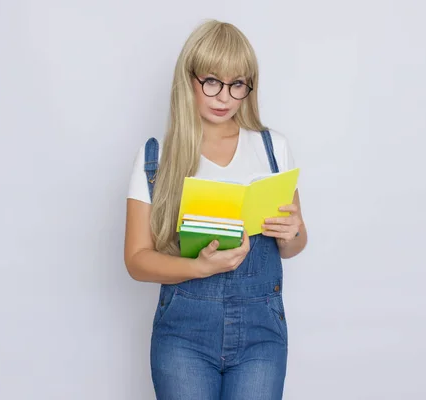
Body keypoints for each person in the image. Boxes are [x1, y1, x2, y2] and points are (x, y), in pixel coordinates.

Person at [124, 19, 308, 400]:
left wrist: (294, 233)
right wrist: (199, 267)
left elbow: (292, 245)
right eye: (211, 81)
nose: (224, 97)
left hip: (261, 334)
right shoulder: (157, 157)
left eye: (237, 84)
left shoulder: (272, 147)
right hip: (183, 335)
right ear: (188, 79)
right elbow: (136, 260)